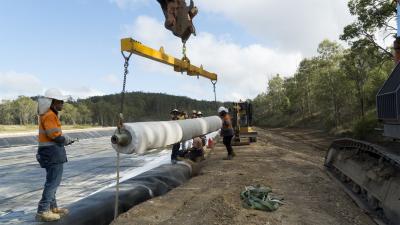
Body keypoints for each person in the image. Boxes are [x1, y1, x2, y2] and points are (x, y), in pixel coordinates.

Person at [36, 88, 75, 222]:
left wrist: (63, 138)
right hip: (52, 153)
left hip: (50, 152)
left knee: (52, 181)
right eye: (60, 102)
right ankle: (43, 211)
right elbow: (54, 135)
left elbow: (54, 134)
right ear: (53, 102)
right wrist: (66, 140)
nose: (62, 104)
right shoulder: (49, 115)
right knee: (53, 183)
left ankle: (53, 208)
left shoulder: (48, 114)